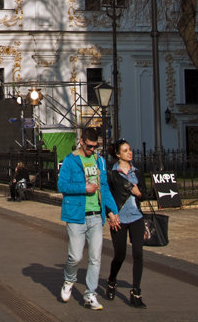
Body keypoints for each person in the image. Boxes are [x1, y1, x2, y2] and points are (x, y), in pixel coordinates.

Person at [57, 127, 119, 310]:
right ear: (82, 142)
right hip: (76, 215)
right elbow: (62, 185)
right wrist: (84, 188)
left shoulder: (99, 161)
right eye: (90, 147)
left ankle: (90, 294)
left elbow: (104, 187)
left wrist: (112, 210)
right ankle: (69, 280)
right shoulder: (71, 161)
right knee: (75, 256)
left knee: (95, 257)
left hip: (95, 215)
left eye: (95, 147)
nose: (93, 150)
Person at [106, 139, 148, 308]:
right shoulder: (112, 173)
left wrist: (139, 193)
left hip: (136, 217)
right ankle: (111, 280)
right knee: (120, 255)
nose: (129, 153)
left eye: (130, 150)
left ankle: (136, 292)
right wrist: (110, 213)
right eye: (125, 150)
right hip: (119, 219)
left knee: (138, 253)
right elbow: (107, 195)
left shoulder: (137, 172)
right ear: (118, 154)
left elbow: (144, 194)